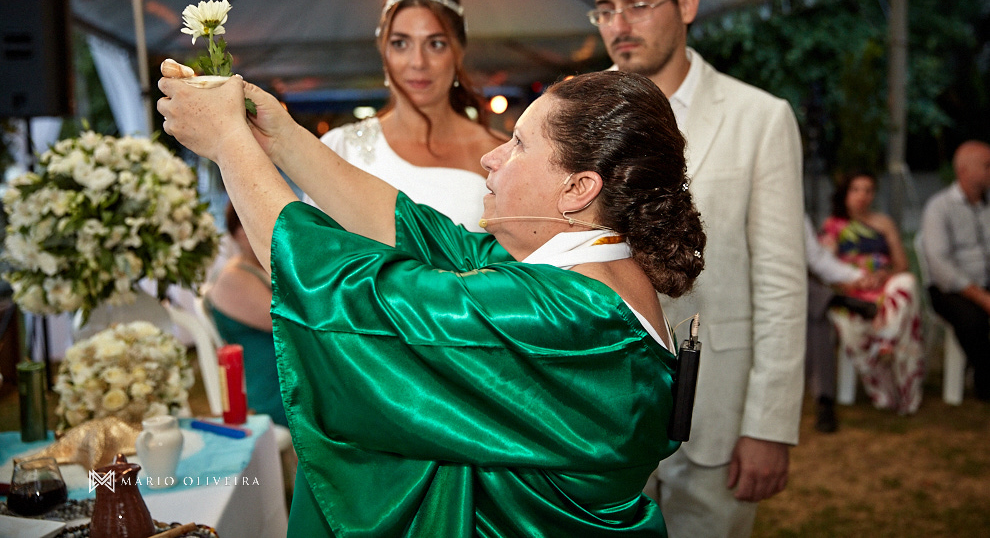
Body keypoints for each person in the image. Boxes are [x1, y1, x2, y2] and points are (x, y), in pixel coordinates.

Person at [157, 68, 707, 536]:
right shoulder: (593, 269)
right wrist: (280, 137)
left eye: (519, 143)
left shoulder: (570, 317)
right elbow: (418, 234)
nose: (492, 157)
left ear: (578, 188)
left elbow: (351, 301)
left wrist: (229, 144)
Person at [581, 0, 806, 536]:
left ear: (686, 4)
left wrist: (769, 424)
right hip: (600, 403)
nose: (619, 23)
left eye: (638, 2)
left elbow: (782, 284)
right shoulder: (574, 115)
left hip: (719, 406)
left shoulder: (760, 119)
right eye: (606, 8)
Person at [308, 0, 505, 229]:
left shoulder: (498, 156)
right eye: (400, 43)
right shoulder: (339, 149)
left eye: (435, 44)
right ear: (383, 50)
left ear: (458, 52)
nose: (418, 62)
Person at [818, 171, 924, 414]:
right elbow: (825, 266)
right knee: (850, 322)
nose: (862, 196)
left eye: (868, 190)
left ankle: (887, 339)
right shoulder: (833, 226)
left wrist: (882, 276)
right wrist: (851, 283)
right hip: (852, 291)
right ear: (845, 193)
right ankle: (885, 393)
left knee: (906, 283)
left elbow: (901, 264)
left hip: (884, 287)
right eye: (856, 189)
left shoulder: (883, 223)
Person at [203, 201, 285, 427]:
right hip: (271, 389)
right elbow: (291, 322)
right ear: (239, 233)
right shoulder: (233, 278)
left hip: (289, 376)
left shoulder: (262, 267)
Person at [921, 140, 990, 402]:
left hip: (986, 281)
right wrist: (981, 297)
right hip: (949, 288)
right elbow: (940, 265)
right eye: (986, 165)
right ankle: (984, 380)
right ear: (964, 171)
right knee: (973, 321)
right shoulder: (939, 208)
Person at [803, 214, 874, 433]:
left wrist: (857, 276)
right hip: (752, 288)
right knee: (808, 296)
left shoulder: (793, 207)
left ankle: (824, 400)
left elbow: (816, 258)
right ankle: (835, 300)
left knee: (817, 316)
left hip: (793, 293)